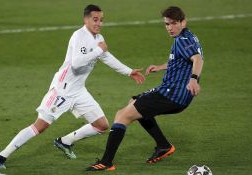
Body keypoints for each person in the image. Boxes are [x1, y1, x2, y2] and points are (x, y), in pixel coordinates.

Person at [0, 4, 144, 169]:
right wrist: (97, 51)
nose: (99, 23)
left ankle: (65, 141)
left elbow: (107, 57)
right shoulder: (79, 36)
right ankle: (2, 155)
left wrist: (129, 72)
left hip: (79, 90)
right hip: (62, 90)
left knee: (101, 125)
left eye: (101, 20)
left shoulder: (98, 38)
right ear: (85, 19)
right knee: (40, 126)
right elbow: (76, 63)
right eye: (95, 20)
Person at [86, 6, 204, 171]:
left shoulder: (183, 40)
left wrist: (194, 79)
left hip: (173, 95)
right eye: (166, 24)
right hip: (170, 91)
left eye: (173, 23)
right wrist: (161, 67)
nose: (169, 28)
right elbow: (180, 60)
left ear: (183, 22)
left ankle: (106, 162)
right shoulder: (188, 37)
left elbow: (197, 59)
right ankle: (163, 145)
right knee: (134, 102)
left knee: (122, 115)